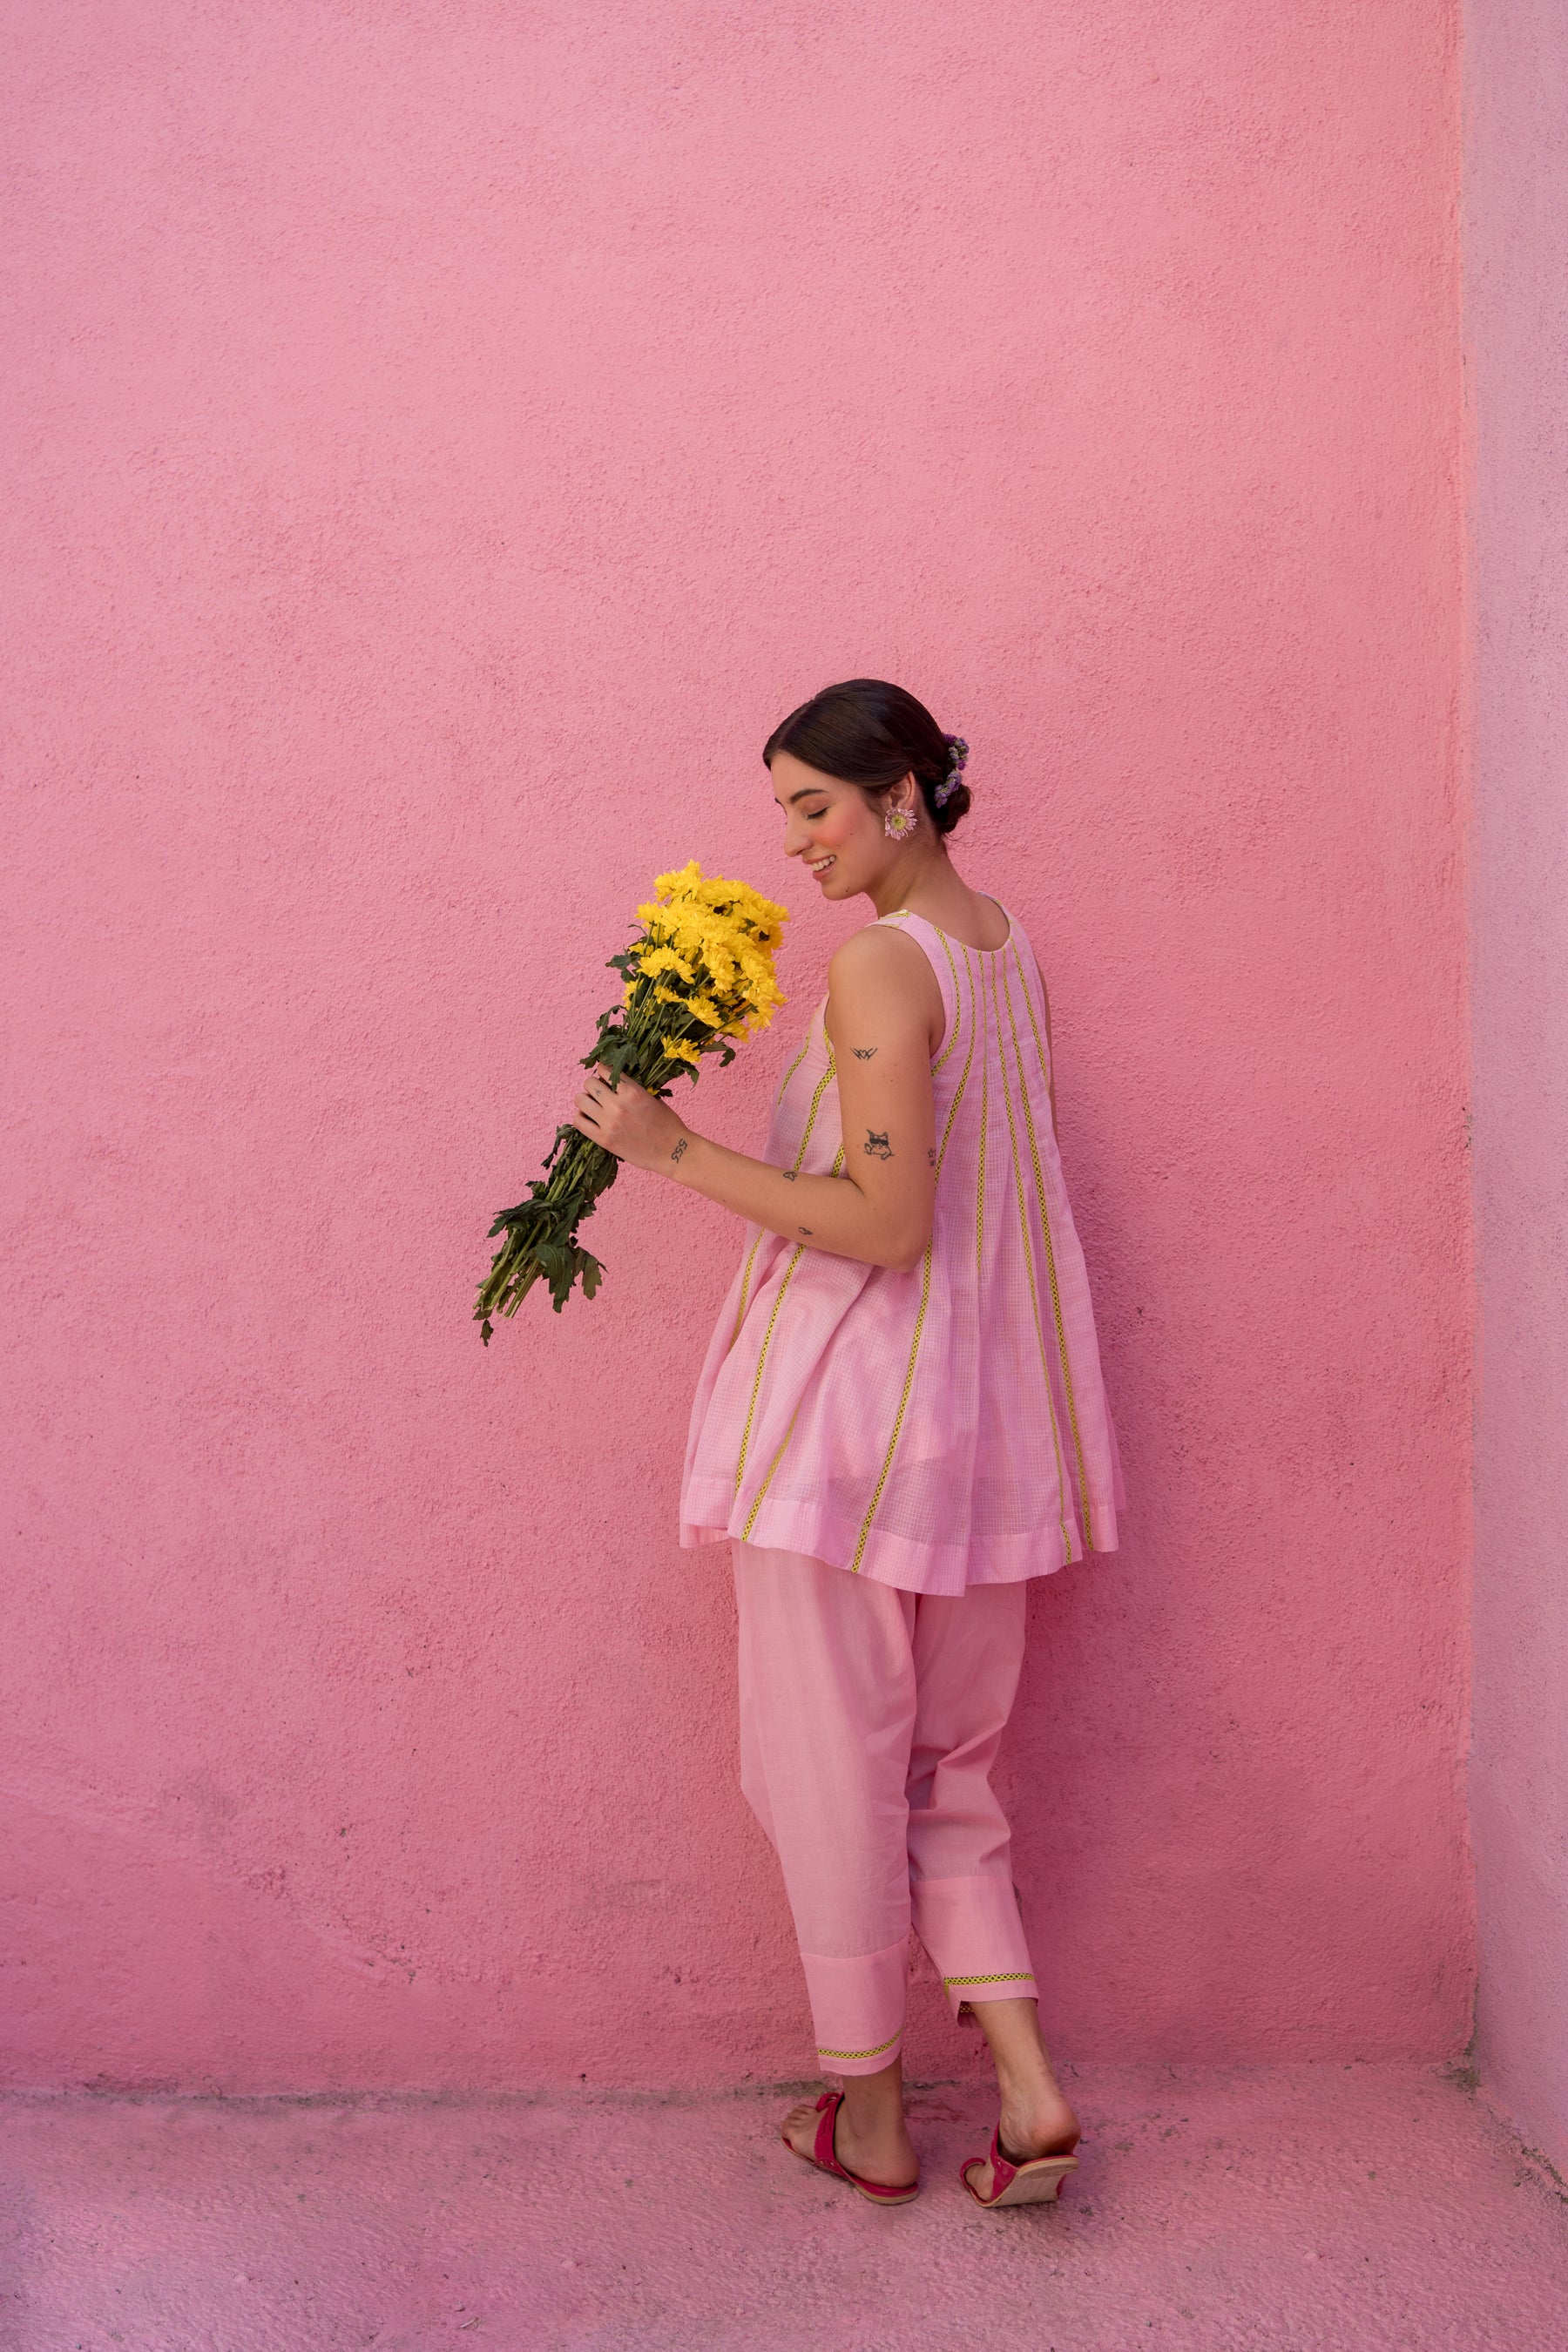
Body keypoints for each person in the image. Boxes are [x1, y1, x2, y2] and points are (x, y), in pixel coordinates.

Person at [566, 678, 1124, 2210]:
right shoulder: (1002, 950)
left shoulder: (883, 966)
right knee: (955, 1771)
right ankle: (1025, 2089)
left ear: (902, 795)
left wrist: (669, 1149)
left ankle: (869, 2123)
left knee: (828, 1774)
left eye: (813, 806)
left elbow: (886, 1227)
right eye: (785, 813)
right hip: (979, 1442)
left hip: (847, 1441)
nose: (795, 843)